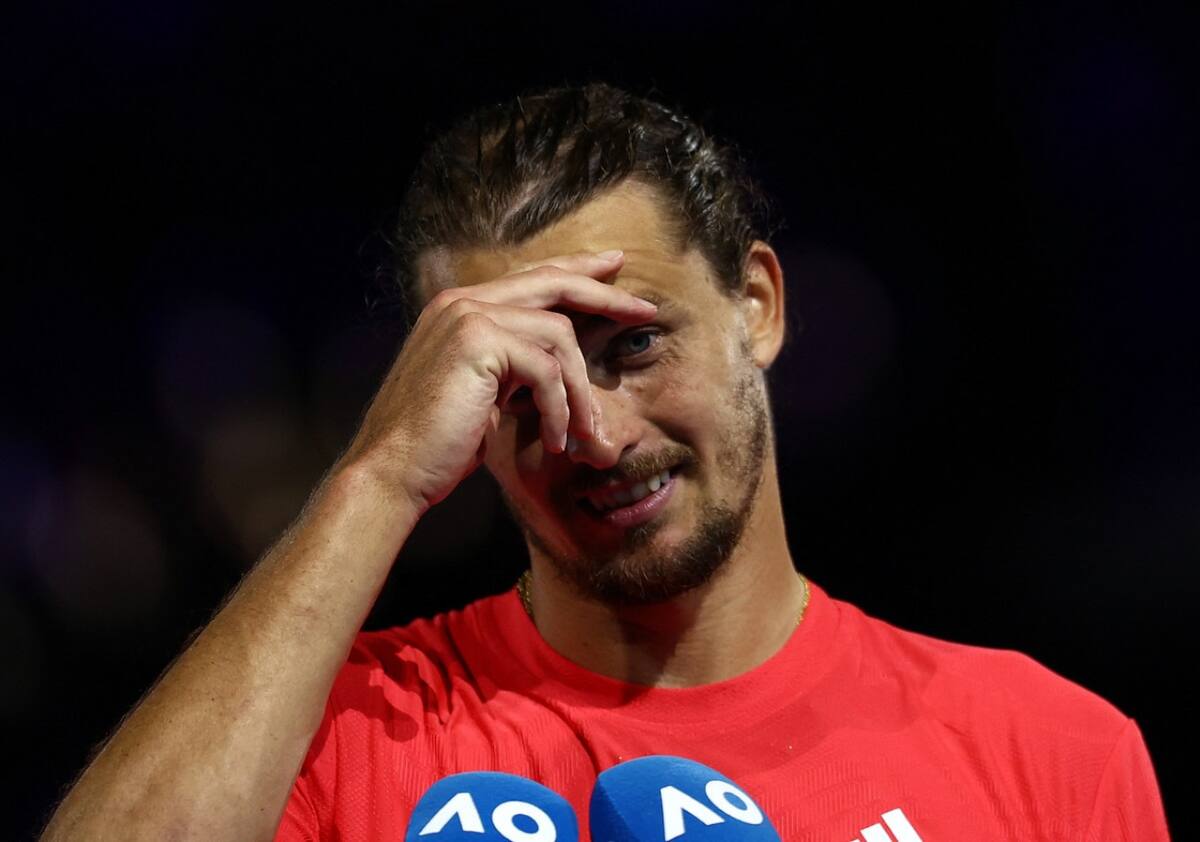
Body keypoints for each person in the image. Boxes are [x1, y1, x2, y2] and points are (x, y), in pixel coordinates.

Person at [41, 83, 1169, 842]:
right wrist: (378, 474)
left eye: (633, 344)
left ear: (759, 306)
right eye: (520, 380)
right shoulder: (335, 730)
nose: (599, 432)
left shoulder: (1049, 751)